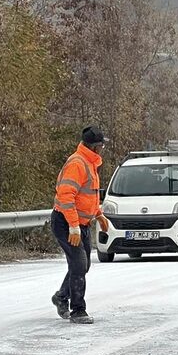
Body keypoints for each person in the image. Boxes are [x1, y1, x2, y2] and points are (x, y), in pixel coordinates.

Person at [51, 126, 111, 324]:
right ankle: (78, 310)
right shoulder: (77, 163)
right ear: (95, 147)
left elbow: (87, 197)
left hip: (81, 223)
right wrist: (73, 226)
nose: (103, 149)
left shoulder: (89, 163)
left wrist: (99, 215)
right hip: (65, 222)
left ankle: (61, 297)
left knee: (83, 265)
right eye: (101, 145)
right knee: (78, 264)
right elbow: (66, 196)